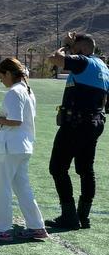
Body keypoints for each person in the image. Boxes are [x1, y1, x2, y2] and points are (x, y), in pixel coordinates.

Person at [0, 58, 49, 241]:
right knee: (22, 187)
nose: (1, 80)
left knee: (1, 188)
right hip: (23, 146)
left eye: (1, 76)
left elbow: (16, 121)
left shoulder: (14, 92)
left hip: (10, 147)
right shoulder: (27, 90)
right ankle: (36, 226)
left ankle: (2, 229)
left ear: (9, 73)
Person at [45, 33, 109, 229]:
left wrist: (64, 45)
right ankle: (83, 216)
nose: (71, 51)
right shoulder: (104, 67)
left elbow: (54, 59)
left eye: (74, 47)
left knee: (58, 168)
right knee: (85, 170)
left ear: (80, 48)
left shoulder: (83, 61)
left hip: (75, 124)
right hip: (95, 123)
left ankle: (69, 216)